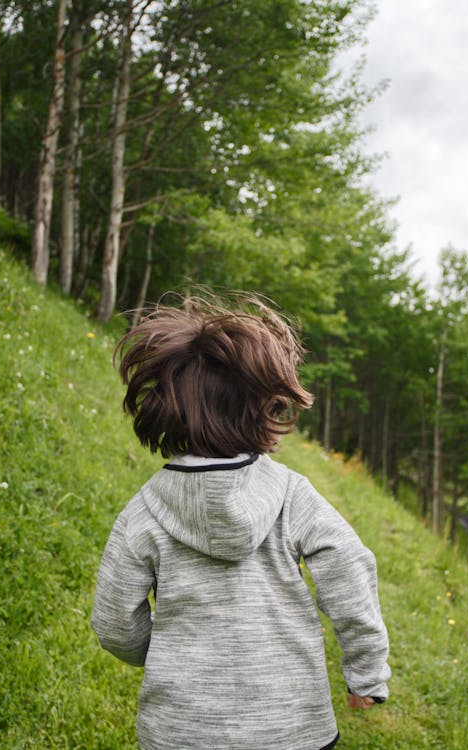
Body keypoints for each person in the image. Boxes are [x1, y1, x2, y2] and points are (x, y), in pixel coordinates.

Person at [90, 293, 390, 750]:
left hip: (180, 732)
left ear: (167, 408)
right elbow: (348, 565)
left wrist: (166, 655)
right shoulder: (291, 494)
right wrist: (367, 671)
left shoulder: (144, 511)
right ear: (264, 408)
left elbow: (114, 622)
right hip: (292, 729)